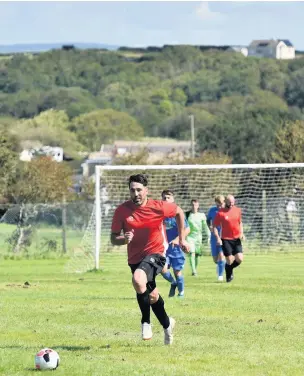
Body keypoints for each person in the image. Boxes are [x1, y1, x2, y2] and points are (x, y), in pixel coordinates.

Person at [110, 174, 190, 345]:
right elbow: (113, 238)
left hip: (157, 254)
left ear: (146, 191)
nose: (136, 193)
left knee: (138, 280)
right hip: (135, 259)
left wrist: (182, 238)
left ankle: (146, 322)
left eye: (139, 190)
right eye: (132, 190)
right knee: (152, 296)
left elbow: (179, 212)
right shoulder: (122, 211)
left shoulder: (159, 207)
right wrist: (124, 239)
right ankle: (168, 325)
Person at [161, 190, 190, 298]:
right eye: (164, 197)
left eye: (168, 197)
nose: (166, 199)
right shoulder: (160, 213)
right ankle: (173, 283)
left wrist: (178, 239)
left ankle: (181, 292)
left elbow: (187, 229)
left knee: (177, 272)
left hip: (176, 248)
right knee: (162, 269)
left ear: (173, 199)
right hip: (163, 248)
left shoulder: (177, 213)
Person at [213, 194, 245, 283]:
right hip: (225, 239)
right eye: (230, 202)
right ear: (226, 202)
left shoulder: (238, 210)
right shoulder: (220, 213)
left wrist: (242, 233)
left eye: (233, 202)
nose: (231, 204)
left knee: (240, 258)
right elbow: (214, 226)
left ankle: (228, 268)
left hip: (236, 239)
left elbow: (240, 223)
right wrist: (218, 238)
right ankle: (228, 276)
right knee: (229, 260)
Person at [186, 199, 210, 276]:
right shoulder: (187, 215)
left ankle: (195, 269)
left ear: (198, 206)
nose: (194, 206)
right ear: (191, 205)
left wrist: (209, 235)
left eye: (195, 205)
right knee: (191, 252)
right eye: (192, 205)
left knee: (197, 254)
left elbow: (205, 226)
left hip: (198, 237)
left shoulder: (201, 215)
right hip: (190, 237)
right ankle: (193, 271)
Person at [206, 195, 226, 282]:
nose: (219, 206)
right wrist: (209, 226)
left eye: (220, 204)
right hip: (214, 236)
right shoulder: (212, 210)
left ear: (224, 203)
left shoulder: (227, 210)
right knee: (215, 259)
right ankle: (220, 265)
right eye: (217, 205)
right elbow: (208, 220)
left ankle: (220, 276)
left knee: (221, 255)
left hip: (225, 236)